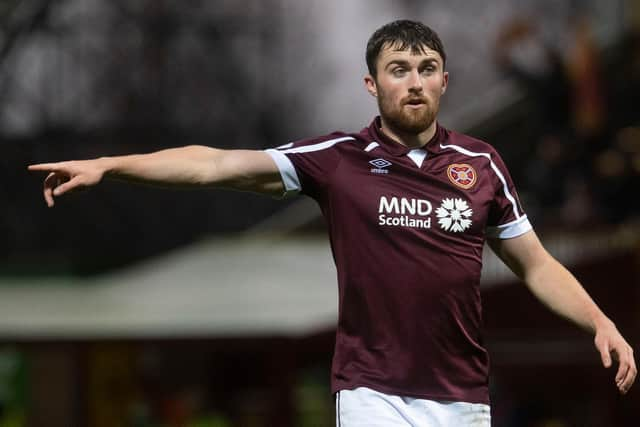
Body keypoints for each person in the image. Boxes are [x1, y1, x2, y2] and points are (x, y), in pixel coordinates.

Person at [29, 20, 635, 427]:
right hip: (373, 392)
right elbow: (213, 164)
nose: (415, 81)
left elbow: (536, 264)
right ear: (372, 85)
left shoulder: (482, 165)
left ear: (445, 81)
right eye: (399, 69)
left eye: (427, 68)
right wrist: (110, 165)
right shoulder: (336, 159)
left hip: (462, 395)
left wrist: (599, 321)